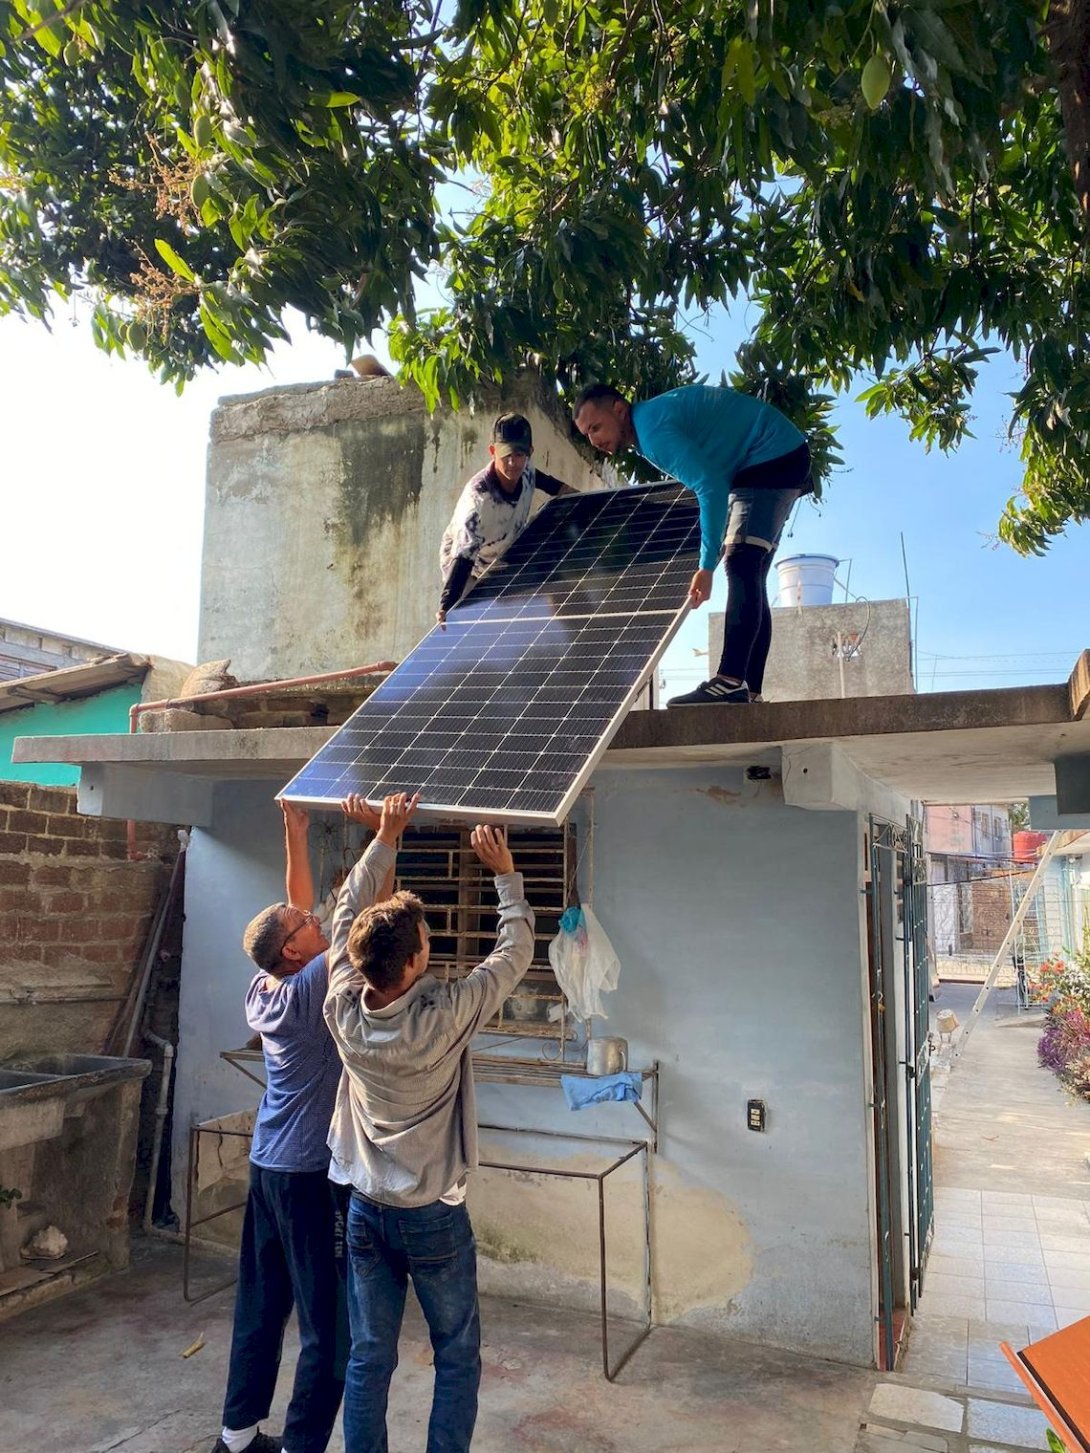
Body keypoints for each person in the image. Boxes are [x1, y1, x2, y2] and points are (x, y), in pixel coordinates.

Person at [324, 794, 535, 1453]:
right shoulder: (444, 1015)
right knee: (457, 1353)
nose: (430, 947)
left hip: (366, 1206)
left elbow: (343, 915)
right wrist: (505, 875)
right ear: (414, 964)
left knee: (368, 1355)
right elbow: (515, 952)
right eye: (425, 943)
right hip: (432, 1215)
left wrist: (383, 839)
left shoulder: (341, 1006)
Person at [212, 796, 392, 1453]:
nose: (311, 915)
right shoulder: (314, 984)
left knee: (262, 1304)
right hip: (309, 1176)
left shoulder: (266, 986)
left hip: (267, 1167)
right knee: (330, 1326)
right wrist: (384, 837)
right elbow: (358, 917)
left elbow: (302, 912)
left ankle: (236, 1437)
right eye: (301, 923)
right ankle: (301, 1445)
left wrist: (294, 833)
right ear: (294, 951)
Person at [573, 382, 813, 705]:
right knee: (751, 571)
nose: (594, 440)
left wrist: (706, 566)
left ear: (619, 409)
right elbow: (711, 478)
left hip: (769, 457)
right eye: (586, 434)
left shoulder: (652, 432)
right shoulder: (650, 424)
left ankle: (730, 681)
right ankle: (749, 689)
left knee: (741, 561)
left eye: (596, 427)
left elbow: (710, 485)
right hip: (780, 455)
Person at [437, 412, 576, 625]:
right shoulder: (478, 502)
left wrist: (581, 497)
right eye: (505, 455)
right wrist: (446, 606)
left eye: (519, 454)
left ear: (529, 453)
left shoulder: (526, 470)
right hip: (467, 567)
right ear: (493, 451)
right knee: (478, 622)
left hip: (504, 549)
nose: (512, 463)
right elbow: (463, 558)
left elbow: (548, 483)